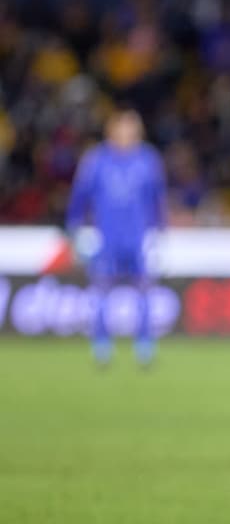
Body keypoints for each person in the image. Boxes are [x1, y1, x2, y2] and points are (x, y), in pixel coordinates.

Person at [66, 107, 167, 367]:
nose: (126, 133)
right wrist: (74, 227)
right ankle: (101, 345)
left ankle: (144, 345)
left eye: (131, 128)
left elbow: (158, 199)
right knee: (101, 291)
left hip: (138, 238)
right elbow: (80, 197)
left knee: (144, 291)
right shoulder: (96, 160)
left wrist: (160, 229)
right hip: (106, 238)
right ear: (111, 131)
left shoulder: (148, 160)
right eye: (122, 128)